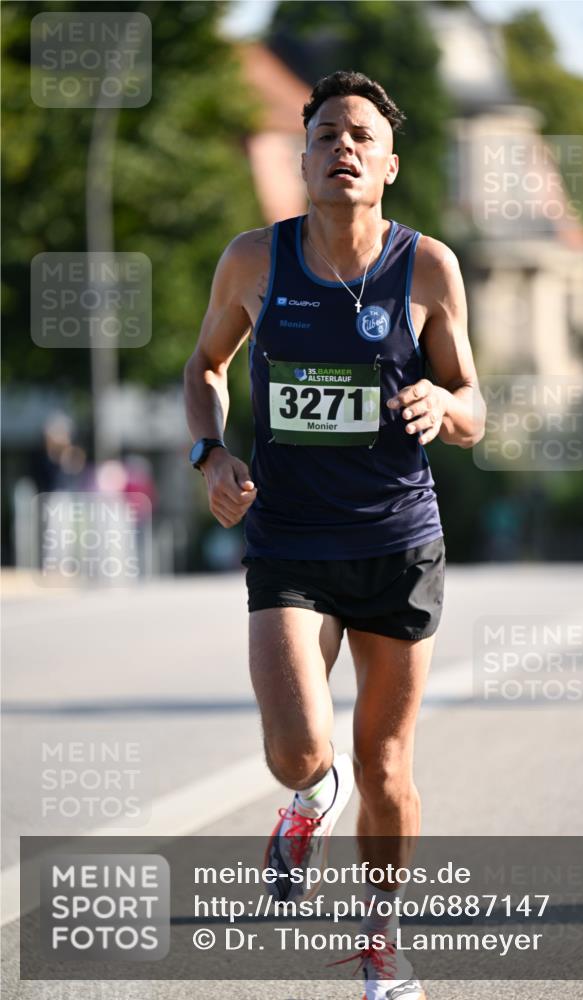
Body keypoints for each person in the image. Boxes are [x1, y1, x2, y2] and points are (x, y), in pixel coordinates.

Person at [184, 70, 485, 1000]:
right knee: (294, 747)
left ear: (387, 165)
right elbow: (205, 365)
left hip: (397, 540)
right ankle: (308, 797)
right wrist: (210, 451)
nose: (340, 148)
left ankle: (381, 943)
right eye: (322, 135)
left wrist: (447, 401)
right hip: (287, 536)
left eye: (359, 136)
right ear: (301, 158)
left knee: (386, 761)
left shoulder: (427, 267)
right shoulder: (252, 260)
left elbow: (474, 406)